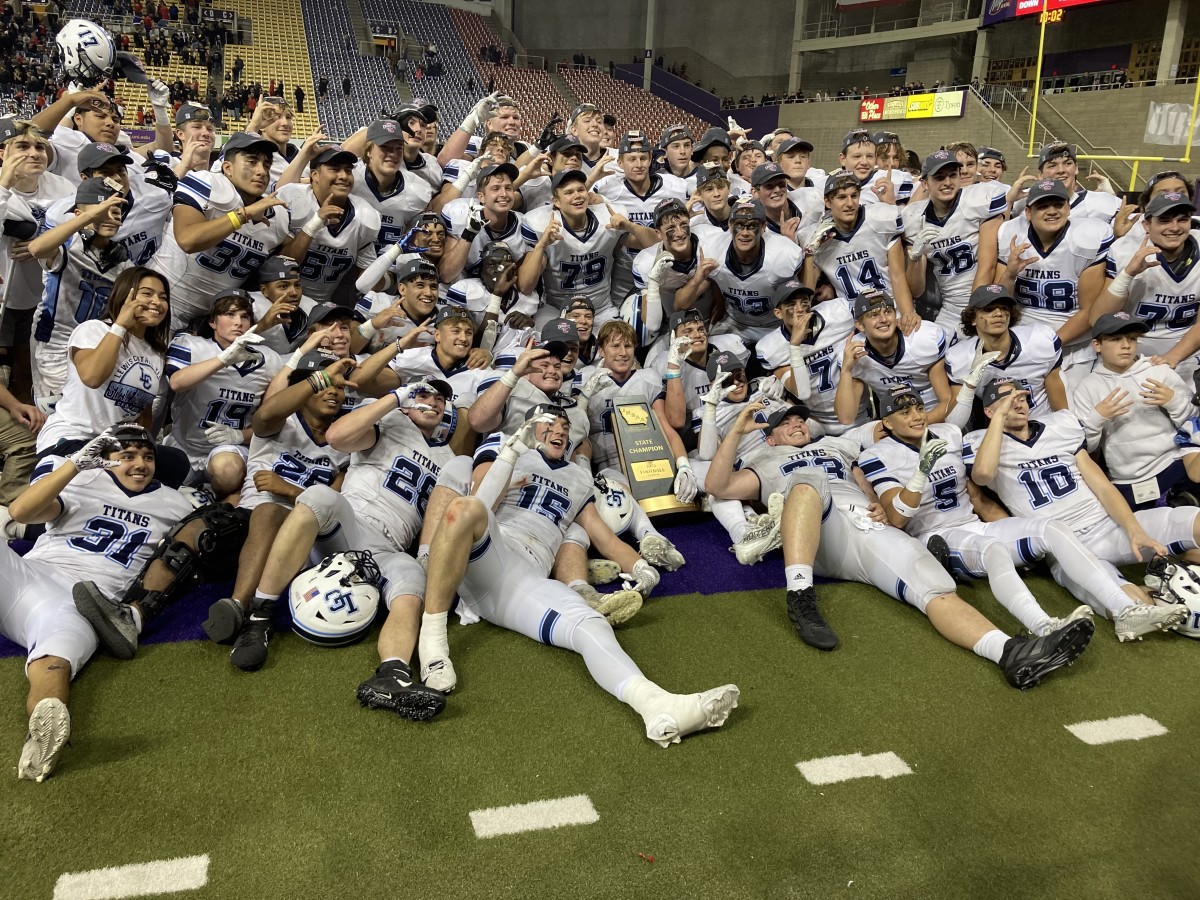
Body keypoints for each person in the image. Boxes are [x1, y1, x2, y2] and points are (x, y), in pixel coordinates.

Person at [704, 399, 1096, 688]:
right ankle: (800, 596)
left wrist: (877, 507)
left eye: (798, 419)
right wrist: (736, 433)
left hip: (862, 527)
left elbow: (870, 484)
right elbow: (717, 486)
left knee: (934, 587)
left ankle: (1009, 652)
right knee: (809, 479)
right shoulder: (766, 462)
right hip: (815, 533)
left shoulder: (839, 447)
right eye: (784, 423)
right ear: (769, 437)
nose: (795, 425)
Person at [417, 403, 739, 745]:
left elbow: (603, 536)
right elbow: (480, 506)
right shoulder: (504, 446)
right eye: (548, 423)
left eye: (563, 425)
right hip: (488, 549)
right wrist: (511, 452)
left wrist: (642, 568)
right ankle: (433, 645)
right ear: (529, 426)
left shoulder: (578, 476)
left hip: (523, 577)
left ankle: (657, 707)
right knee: (462, 509)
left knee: (591, 624)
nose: (558, 430)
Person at [859, 385, 1129, 638]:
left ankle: (1124, 608)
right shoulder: (878, 455)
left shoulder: (950, 434)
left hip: (974, 524)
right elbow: (896, 518)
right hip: (935, 535)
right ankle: (1043, 625)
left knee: (1048, 526)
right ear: (887, 423)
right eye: (905, 413)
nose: (917, 416)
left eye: (919, 408)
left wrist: (1019, 534)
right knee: (993, 549)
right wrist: (920, 474)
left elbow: (976, 495)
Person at [3, 425, 192, 781]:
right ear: (106, 458)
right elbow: (21, 511)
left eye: (148, 456)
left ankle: (41, 729)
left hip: (87, 602)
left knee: (54, 664)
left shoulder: (176, 503)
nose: (140, 464)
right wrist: (75, 465)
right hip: (28, 573)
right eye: (128, 455)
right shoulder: (82, 481)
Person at [967, 378, 1193, 640]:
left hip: (1107, 526)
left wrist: (1133, 529)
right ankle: (1154, 593)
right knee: (1134, 605)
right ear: (989, 411)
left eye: (1020, 397)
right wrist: (999, 419)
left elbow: (1102, 486)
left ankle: (1165, 587)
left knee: (1192, 520)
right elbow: (983, 474)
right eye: (1006, 400)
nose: (1016, 404)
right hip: (1066, 549)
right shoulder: (979, 442)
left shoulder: (1060, 426)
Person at [202, 351, 355, 670]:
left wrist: (287, 489)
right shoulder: (278, 423)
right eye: (323, 385)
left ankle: (242, 606)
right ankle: (140, 609)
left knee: (273, 510)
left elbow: (334, 504)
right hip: (245, 527)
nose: (333, 392)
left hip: (304, 539)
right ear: (302, 390)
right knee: (200, 529)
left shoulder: (344, 441)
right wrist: (322, 377)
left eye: (339, 388)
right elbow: (264, 415)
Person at [150, 132, 290, 331]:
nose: (261, 171)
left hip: (213, 322)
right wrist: (243, 216)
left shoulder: (278, 216)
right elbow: (188, 240)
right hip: (162, 301)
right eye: (251, 162)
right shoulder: (207, 182)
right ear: (227, 168)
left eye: (266, 165)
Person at [993, 177, 1113, 392]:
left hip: (1073, 344)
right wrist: (1010, 275)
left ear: (1068, 207)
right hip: (1022, 338)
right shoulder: (1011, 234)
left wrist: (1051, 344)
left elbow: (1090, 311)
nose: (1052, 211)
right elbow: (999, 304)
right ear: (1028, 213)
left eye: (1058, 204)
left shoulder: (1088, 237)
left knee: (1071, 413)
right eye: (1042, 206)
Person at [1071, 312, 1200, 510]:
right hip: (1127, 479)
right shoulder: (1087, 387)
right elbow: (1083, 448)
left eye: (1132, 339)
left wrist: (1174, 402)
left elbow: (1194, 423)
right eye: (1116, 339)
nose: (1126, 345)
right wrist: (1098, 419)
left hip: (1173, 464)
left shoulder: (1158, 370)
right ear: (1097, 345)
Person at [163, 289, 282, 501]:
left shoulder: (271, 360)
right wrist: (224, 359)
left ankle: (214, 502)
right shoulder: (191, 344)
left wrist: (239, 436)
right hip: (184, 444)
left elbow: (273, 421)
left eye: (244, 316)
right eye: (230, 314)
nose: (238, 322)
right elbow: (176, 383)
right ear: (212, 322)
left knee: (227, 471)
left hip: (230, 449)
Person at [1090, 190, 1200, 380]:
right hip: (1130, 354)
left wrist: (1172, 358)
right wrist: (1128, 274)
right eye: (1164, 220)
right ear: (1146, 225)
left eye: (1182, 219)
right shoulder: (1124, 250)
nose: (1174, 227)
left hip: (1187, 353)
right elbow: (1098, 319)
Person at [902, 150, 1007, 336]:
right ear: (925, 183)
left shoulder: (978, 200)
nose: (948, 183)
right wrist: (915, 257)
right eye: (939, 178)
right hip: (950, 307)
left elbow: (988, 265)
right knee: (931, 352)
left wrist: (974, 310)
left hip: (986, 302)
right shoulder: (913, 217)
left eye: (952, 175)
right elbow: (916, 290)